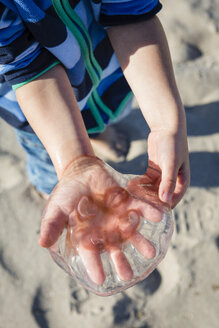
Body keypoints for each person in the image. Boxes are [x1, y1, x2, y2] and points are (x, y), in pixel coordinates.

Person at [0, 0, 190, 284]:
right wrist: (74, 162)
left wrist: (164, 122)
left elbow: (132, 12)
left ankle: (94, 131)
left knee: (107, 113)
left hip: (109, 71)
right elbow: (27, 66)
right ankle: (48, 183)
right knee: (47, 160)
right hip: (40, 114)